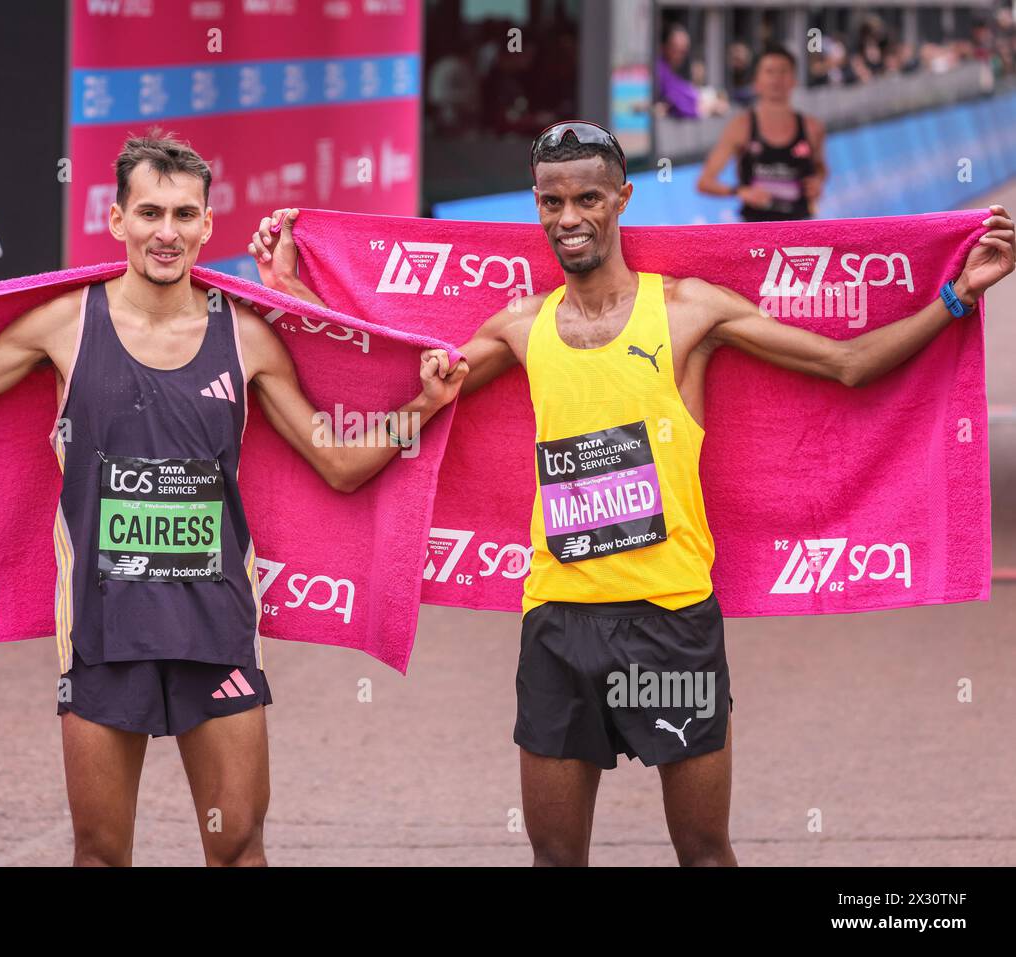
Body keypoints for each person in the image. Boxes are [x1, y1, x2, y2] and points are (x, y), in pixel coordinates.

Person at [251, 122, 1013, 866]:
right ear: (537, 206)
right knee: (553, 853)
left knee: (704, 851)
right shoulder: (521, 325)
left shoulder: (688, 311)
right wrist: (289, 289)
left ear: (620, 200)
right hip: (558, 624)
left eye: (587, 198)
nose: (569, 218)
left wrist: (955, 297)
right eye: (552, 202)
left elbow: (846, 363)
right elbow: (404, 375)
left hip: (671, 621)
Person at [0, 130, 466, 867]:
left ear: (209, 225)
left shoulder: (245, 338)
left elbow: (337, 461)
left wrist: (426, 407)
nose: (166, 232)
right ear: (117, 221)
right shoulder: (66, 327)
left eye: (183, 215)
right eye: (149, 213)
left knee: (239, 845)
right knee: (102, 853)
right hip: (104, 633)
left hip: (219, 630)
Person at [698, 43, 827, 222]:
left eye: (783, 71)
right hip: (755, 232)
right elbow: (704, 182)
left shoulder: (813, 128)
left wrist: (818, 182)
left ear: (794, 80)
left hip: (800, 230)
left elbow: (821, 168)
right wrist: (740, 191)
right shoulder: (741, 126)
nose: (776, 79)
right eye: (769, 71)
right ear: (756, 83)